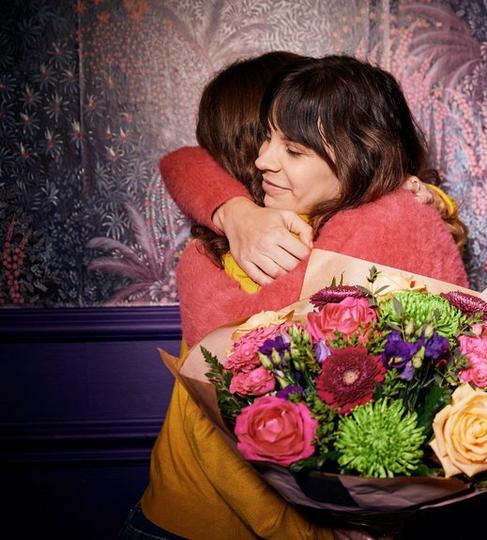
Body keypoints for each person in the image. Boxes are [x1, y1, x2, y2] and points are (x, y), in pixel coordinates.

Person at [124, 54, 468, 539]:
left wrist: (418, 199)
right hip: (201, 518)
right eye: (267, 137)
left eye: (294, 144)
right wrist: (233, 212)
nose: (268, 158)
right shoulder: (246, 245)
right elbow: (183, 162)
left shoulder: (360, 224)